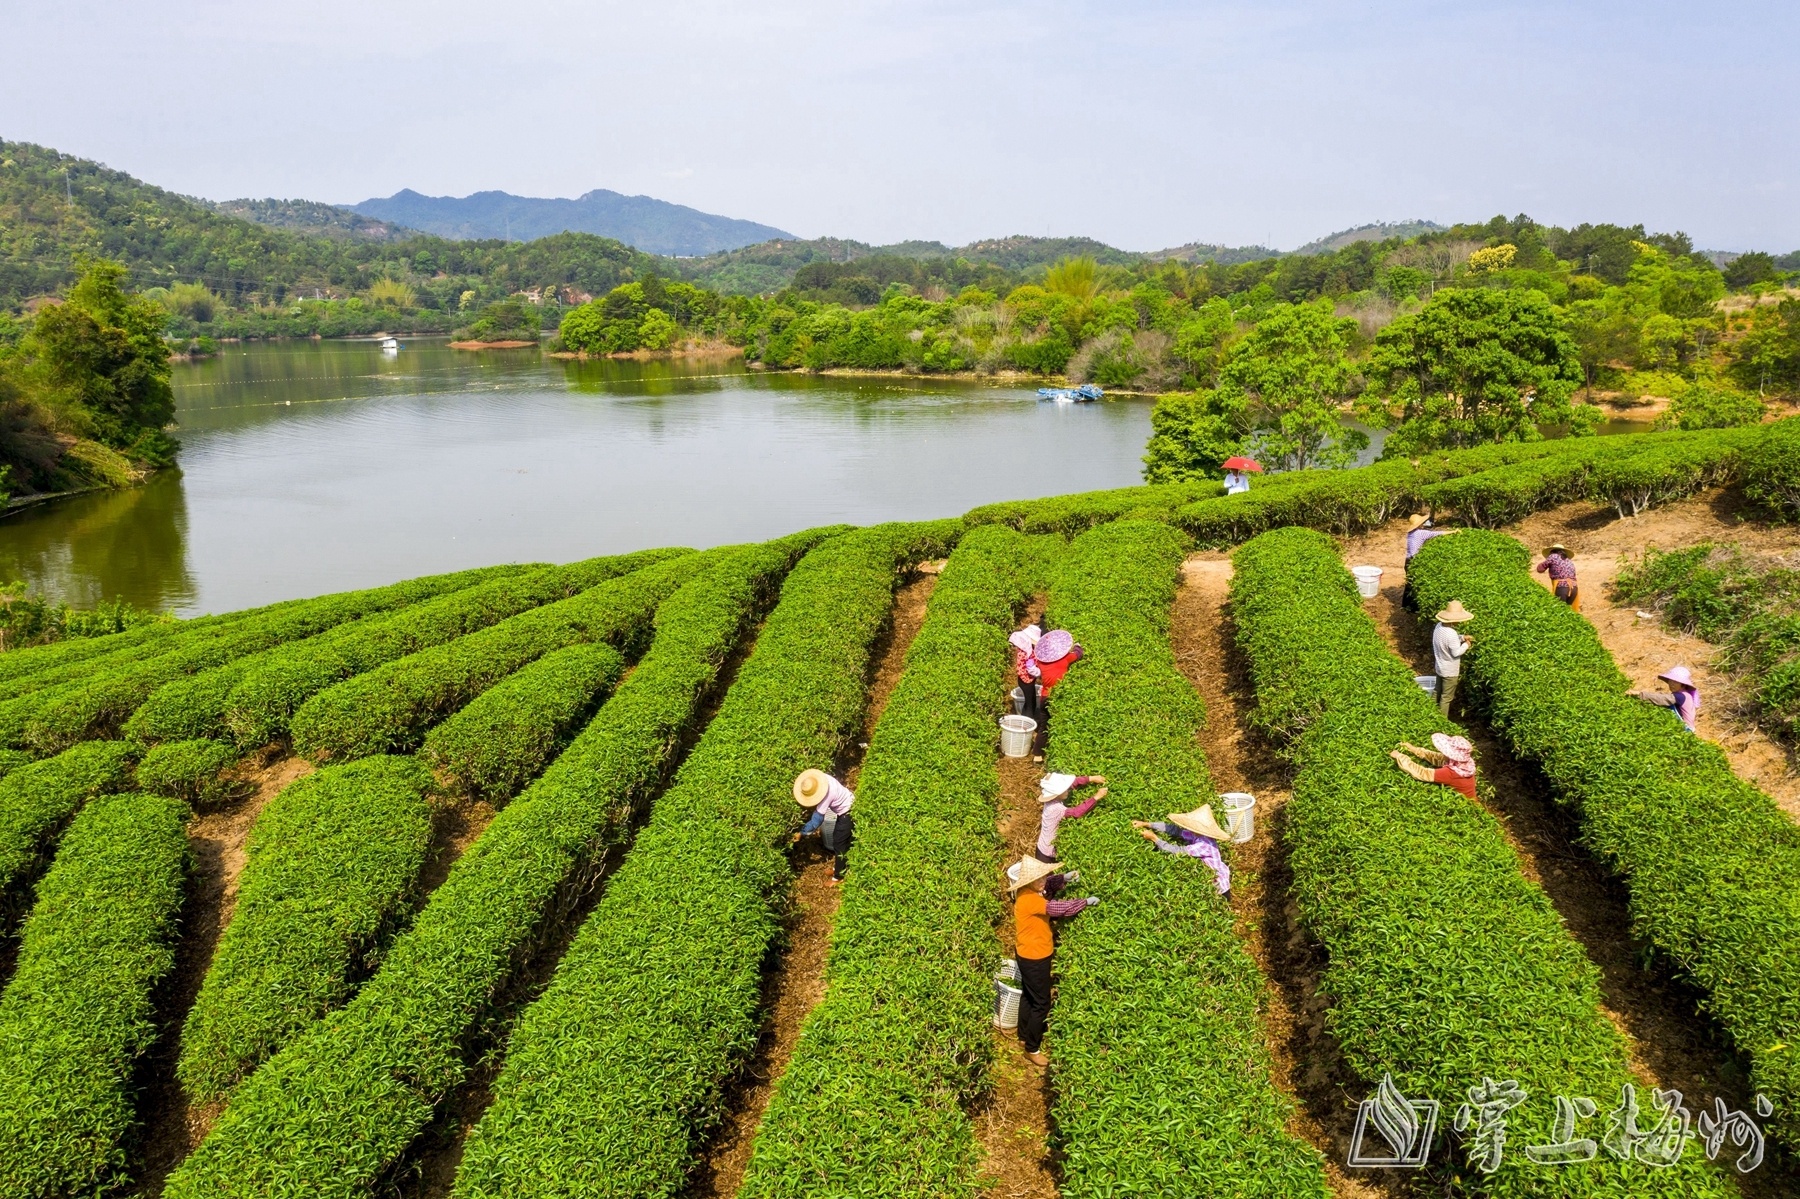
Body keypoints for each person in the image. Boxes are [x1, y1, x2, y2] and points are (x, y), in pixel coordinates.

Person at [1008, 855, 1097, 1067]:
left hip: (1025, 952)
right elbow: (1060, 909)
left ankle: (1023, 1035)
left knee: (1029, 995)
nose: (1043, 881)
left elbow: (1048, 886)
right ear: (1030, 882)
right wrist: (1084, 902)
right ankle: (1032, 1048)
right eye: (1039, 878)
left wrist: (1064, 878)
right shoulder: (1031, 900)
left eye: (1044, 876)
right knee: (1041, 1003)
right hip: (1035, 957)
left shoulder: (1028, 891)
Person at [1130, 805, 1232, 898]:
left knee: (1220, 904)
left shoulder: (1204, 845)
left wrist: (1154, 838)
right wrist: (1146, 824)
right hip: (1212, 878)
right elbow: (1174, 830)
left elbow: (1177, 851)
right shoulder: (1199, 834)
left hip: (1219, 886)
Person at [793, 769, 854, 884]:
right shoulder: (823, 779)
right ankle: (838, 868)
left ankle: (838, 877)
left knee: (840, 844)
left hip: (847, 813)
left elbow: (816, 821)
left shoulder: (827, 795)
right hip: (848, 802)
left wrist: (801, 833)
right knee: (839, 841)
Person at [1034, 772, 1107, 863]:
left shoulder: (1052, 799)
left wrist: (1091, 778)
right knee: (1050, 872)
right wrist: (1096, 797)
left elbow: (1073, 783)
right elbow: (1076, 812)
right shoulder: (1055, 808)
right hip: (1046, 854)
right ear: (1057, 794)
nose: (1068, 791)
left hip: (1042, 847)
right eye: (1065, 790)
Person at [1391, 733, 1478, 799]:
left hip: (1467, 804)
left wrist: (1399, 756)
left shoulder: (1451, 773)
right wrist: (1413, 749)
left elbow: (1421, 773)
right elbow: (1435, 757)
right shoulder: (1464, 763)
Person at [1431, 600, 1475, 716]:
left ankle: (1429, 713)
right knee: (1446, 698)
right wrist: (1466, 645)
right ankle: (1442, 721)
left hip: (1440, 667)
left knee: (1437, 691)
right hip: (1450, 671)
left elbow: (1447, 641)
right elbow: (1456, 652)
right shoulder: (1451, 633)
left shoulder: (1438, 626)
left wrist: (1462, 637)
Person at [1402, 514, 1453, 612]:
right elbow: (1437, 534)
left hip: (1407, 560)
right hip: (1413, 561)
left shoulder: (1411, 533)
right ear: (1419, 525)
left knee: (1409, 583)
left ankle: (1406, 605)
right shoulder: (1421, 533)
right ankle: (1413, 607)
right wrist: (1453, 531)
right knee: (1414, 584)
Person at [1629, 666, 1701, 732]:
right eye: (1670, 681)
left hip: (1685, 731)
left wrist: (1640, 694)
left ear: (1683, 685)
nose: (1672, 684)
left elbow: (1662, 699)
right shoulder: (1683, 695)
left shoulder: (1681, 696)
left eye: (1675, 682)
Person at [1011, 624, 1043, 726]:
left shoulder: (1025, 649)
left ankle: (1028, 717)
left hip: (1025, 680)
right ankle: (1027, 723)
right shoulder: (1028, 653)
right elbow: (1031, 670)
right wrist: (1041, 672)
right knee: (1029, 703)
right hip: (1026, 681)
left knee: (1031, 699)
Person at [1536, 543, 1580, 610]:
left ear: (1552, 551)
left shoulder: (1553, 556)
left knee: (1559, 610)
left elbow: (1540, 569)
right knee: (1567, 610)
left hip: (1562, 587)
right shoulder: (1569, 561)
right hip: (1574, 588)